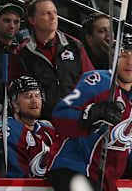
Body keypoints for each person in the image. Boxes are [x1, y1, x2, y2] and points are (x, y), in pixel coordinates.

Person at [47, 33, 132, 191]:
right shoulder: (98, 81)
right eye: (124, 55)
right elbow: (60, 115)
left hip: (105, 180)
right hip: (74, 168)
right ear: (113, 58)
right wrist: (91, 113)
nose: (130, 62)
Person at [8, 0, 94, 120]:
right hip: (42, 122)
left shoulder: (75, 45)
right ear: (32, 20)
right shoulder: (22, 53)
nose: (53, 17)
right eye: (46, 13)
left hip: (75, 118)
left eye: (54, 12)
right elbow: (15, 92)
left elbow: (90, 80)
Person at [0, 76, 55, 178]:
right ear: (15, 104)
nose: (35, 101)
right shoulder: (7, 130)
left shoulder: (47, 130)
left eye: (38, 96)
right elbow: (16, 177)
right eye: (28, 96)